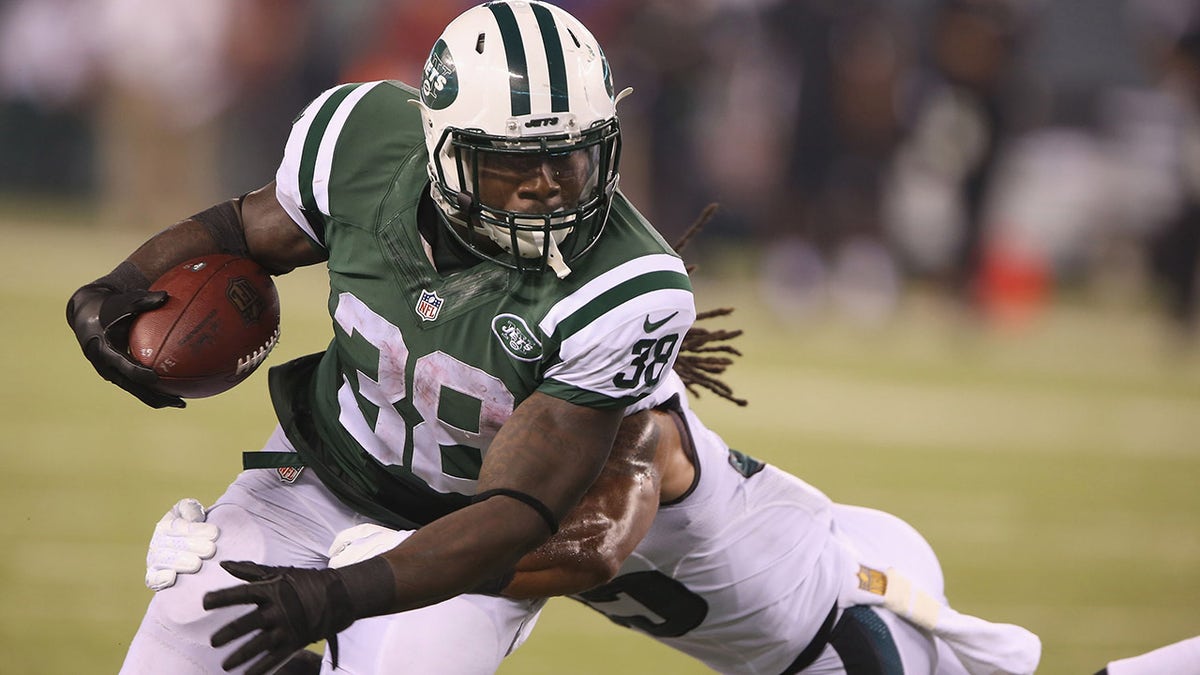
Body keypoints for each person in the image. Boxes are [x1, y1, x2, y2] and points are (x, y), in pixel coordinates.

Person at [66, 2, 697, 673]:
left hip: (465, 535)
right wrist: (116, 286)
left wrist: (340, 593)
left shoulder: (630, 288)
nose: (548, 187)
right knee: (179, 644)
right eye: (516, 163)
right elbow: (240, 230)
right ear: (444, 148)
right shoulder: (361, 140)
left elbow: (519, 511)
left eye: (570, 156)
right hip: (318, 472)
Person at [151, 364, 1042, 675]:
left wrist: (375, 577)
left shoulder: (636, 431)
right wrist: (225, 575)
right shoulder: (532, 415)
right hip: (798, 570)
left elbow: (592, 552)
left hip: (850, 631)